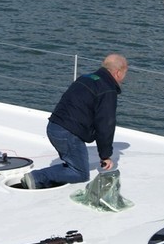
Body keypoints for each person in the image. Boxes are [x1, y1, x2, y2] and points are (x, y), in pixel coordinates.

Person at [22, 53, 128, 189]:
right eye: (125, 73)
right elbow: (105, 125)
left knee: (74, 164)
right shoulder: (107, 89)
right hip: (68, 133)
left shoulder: (86, 78)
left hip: (54, 126)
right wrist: (105, 155)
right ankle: (37, 177)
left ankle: (46, 181)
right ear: (118, 72)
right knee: (80, 173)